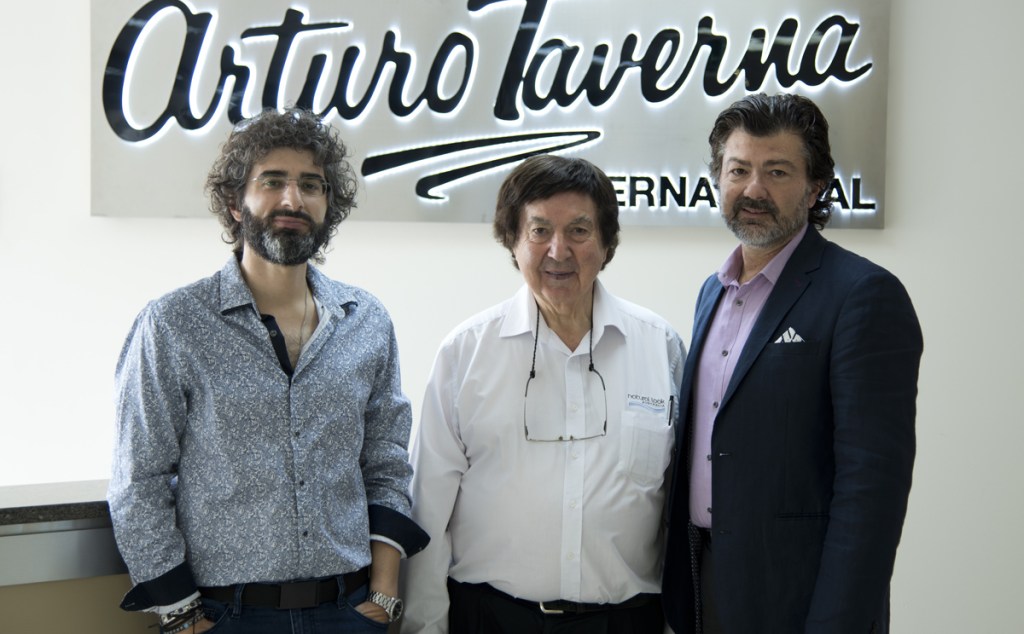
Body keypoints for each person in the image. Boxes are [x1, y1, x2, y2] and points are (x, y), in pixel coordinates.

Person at [107, 108, 428, 634]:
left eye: (311, 185)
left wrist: (384, 594)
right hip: (224, 615)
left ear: (328, 204)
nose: (292, 200)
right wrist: (183, 616)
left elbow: (386, 463)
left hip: (349, 610)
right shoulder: (173, 323)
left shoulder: (366, 320)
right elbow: (137, 481)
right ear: (236, 203)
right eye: (272, 181)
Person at [661, 93, 923, 633]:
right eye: (739, 170)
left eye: (777, 171)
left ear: (815, 186)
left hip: (799, 598)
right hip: (705, 580)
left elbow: (871, 492)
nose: (754, 189)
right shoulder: (712, 292)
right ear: (718, 179)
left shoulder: (862, 295)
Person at [400, 154, 685, 634]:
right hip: (491, 618)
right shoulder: (466, 353)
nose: (558, 250)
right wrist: (424, 626)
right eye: (539, 231)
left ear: (607, 243)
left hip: (627, 620)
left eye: (579, 231)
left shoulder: (661, 347)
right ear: (512, 241)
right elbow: (428, 504)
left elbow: (679, 505)